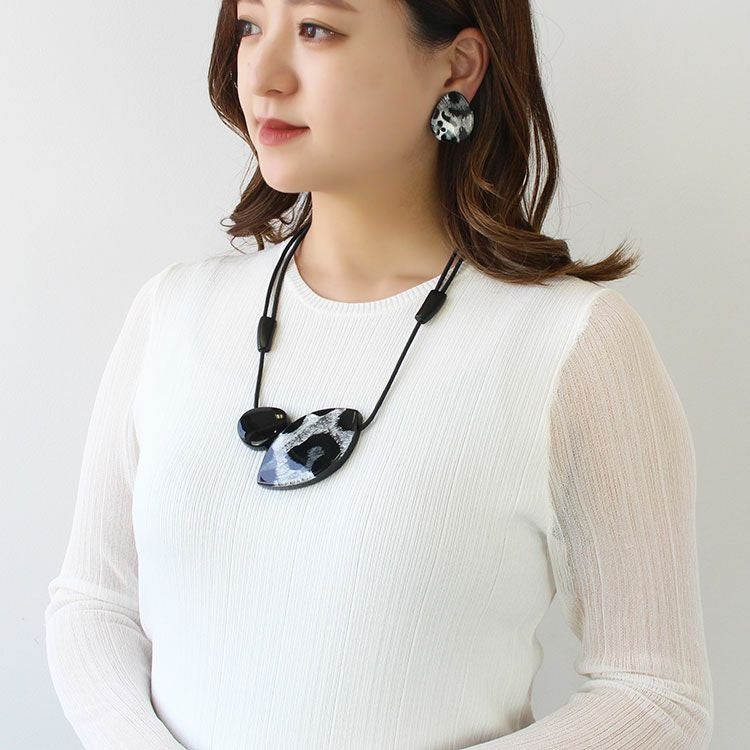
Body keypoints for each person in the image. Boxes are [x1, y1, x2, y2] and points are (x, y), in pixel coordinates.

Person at [44, 0, 714, 747]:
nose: (262, 76)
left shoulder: (571, 345)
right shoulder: (173, 314)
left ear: (457, 65)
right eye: (250, 26)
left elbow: (657, 697)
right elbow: (94, 603)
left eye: (316, 29)